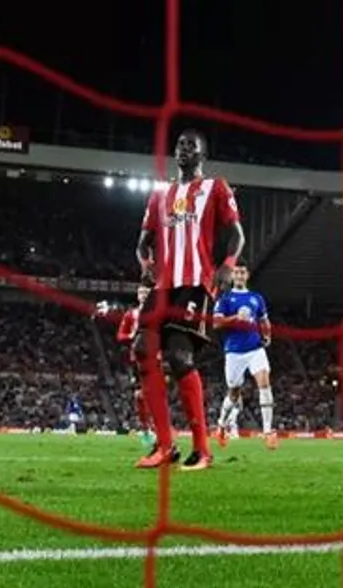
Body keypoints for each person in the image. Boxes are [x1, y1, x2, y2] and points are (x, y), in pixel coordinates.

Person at [134, 129, 245, 470]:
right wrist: (146, 263)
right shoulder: (160, 194)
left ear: (202, 154)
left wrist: (227, 265)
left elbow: (237, 235)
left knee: (179, 356)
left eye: (191, 146)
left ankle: (202, 450)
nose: (183, 149)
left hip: (196, 283)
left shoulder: (216, 187)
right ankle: (165, 446)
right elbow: (143, 242)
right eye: (180, 145)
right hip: (163, 286)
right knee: (142, 349)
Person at [213, 260, 277, 449]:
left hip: (255, 348)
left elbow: (264, 320)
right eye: (237, 272)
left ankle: (268, 432)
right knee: (233, 393)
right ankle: (221, 425)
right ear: (232, 276)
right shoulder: (225, 298)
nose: (239, 276)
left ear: (247, 276)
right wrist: (236, 318)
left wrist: (267, 335)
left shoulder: (256, 298)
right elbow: (216, 323)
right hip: (234, 351)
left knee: (264, 383)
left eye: (243, 272)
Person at [96, 286, 160, 452]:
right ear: (137, 296)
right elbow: (120, 335)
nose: (144, 296)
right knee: (140, 395)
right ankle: (146, 430)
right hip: (137, 358)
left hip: (155, 358)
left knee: (155, 395)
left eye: (147, 293)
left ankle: (157, 430)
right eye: (141, 293)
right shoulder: (131, 314)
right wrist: (132, 336)